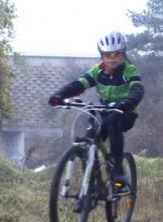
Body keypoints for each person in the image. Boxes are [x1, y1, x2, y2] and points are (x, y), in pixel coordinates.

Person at [48, 31, 144, 183]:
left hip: (126, 112)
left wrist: (130, 102)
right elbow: (80, 84)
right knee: (91, 135)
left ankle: (118, 169)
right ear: (102, 56)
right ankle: (91, 182)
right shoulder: (97, 71)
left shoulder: (129, 70)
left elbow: (137, 89)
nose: (112, 58)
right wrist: (60, 95)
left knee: (113, 121)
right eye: (107, 55)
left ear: (123, 54)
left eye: (117, 54)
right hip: (106, 110)